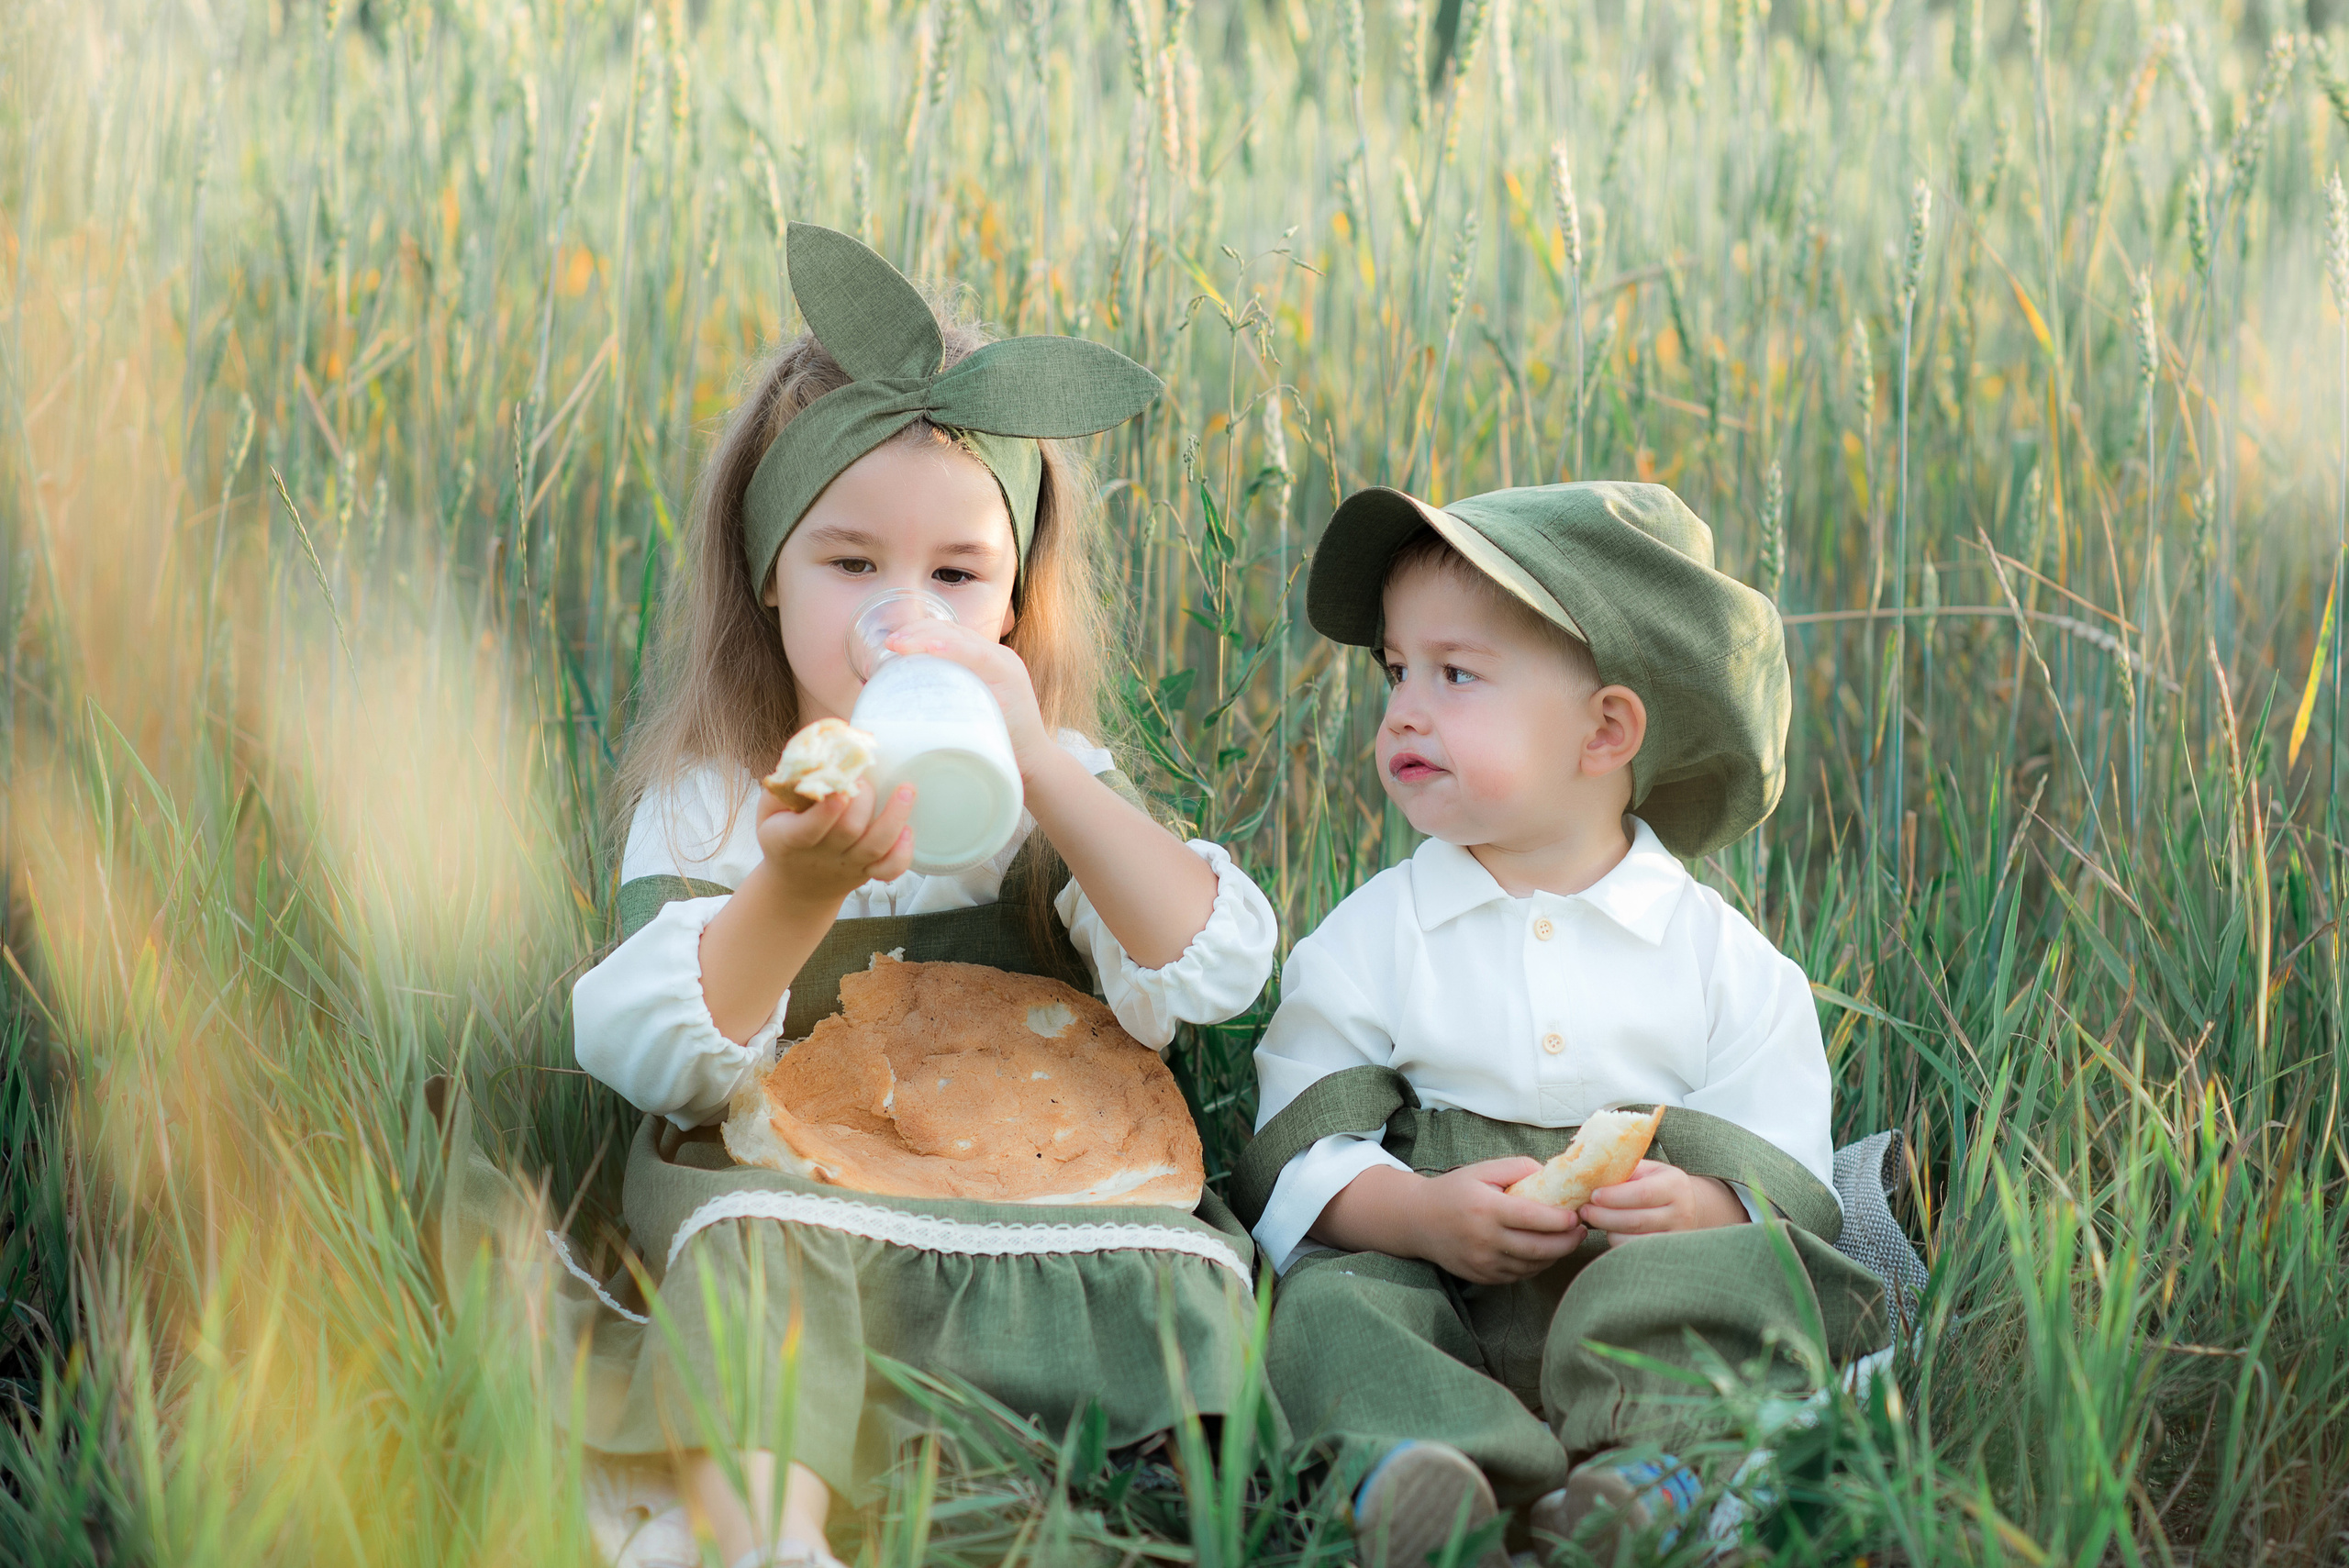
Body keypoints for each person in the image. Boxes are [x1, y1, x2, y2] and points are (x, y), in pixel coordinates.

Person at [509, 223, 1277, 1568]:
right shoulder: (710, 798)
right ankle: (766, 1532)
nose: (904, 612)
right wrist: (793, 889)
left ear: (1015, 600)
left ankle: (1126, 1504)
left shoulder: (1052, 784)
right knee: (755, 1274)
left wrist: (1046, 771)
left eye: (957, 576)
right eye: (852, 564)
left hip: (1023, 1193)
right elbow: (653, 1065)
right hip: (797, 1202)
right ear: (765, 573)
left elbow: (1210, 969)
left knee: (1175, 1263)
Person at [1230, 482, 1888, 1566]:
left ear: (1605, 729)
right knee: (1329, 1306)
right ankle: (1426, 1468)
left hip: (1631, 1274)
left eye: (1456, 673)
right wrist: (1413, 1213)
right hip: (1437, 1277)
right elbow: (1301, 1133)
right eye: (1396, 671)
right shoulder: (1375, 934)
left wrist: (1703, 1201)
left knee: (1725, 1284)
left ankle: (1651, 1468)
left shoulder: (1720, 957)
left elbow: (1783, 1156)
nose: (1401, 709)